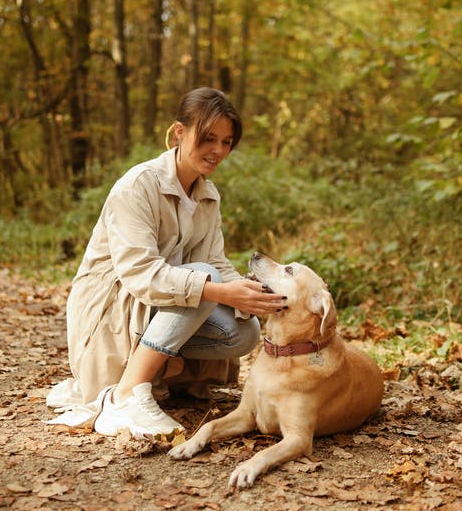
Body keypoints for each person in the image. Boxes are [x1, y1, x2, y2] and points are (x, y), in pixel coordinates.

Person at [46, 87, 286, 438]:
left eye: (226, 141)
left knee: (243, 329)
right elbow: (141, 275)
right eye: (208, 138)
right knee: (202, 282)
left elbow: (216, 262)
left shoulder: (208, 195)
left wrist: (248, 296)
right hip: (113, 307)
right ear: (179, 132)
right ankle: (125, 394)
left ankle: (160, 377)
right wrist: (221, 290)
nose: (217, 150)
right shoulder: (137, 186)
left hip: (157, 307)